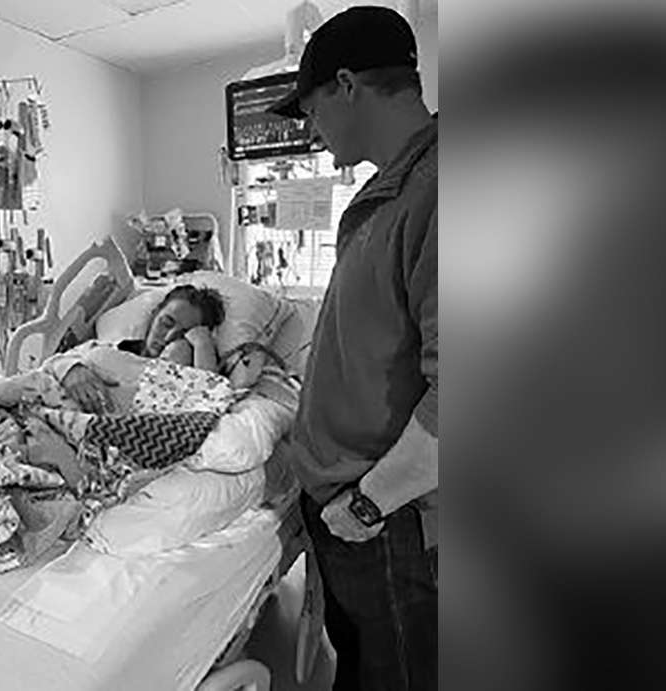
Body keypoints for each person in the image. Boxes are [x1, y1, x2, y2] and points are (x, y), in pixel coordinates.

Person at [268, 6, 438, 690]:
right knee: (363, 667)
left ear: (346, 85)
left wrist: (367, 503)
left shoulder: (439, 193)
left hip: (385, 521)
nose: (311, 129)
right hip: (349, 513)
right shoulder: (386, 194)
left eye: (311, 110)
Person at [59, 284, 225, 413]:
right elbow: (53, 363)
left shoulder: (185, 382)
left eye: (182, 335)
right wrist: (70, 370)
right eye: (166, 323)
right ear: (154, 314)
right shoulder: (111, 348)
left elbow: (211, 402)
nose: (168, 337)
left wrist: (203, 344)